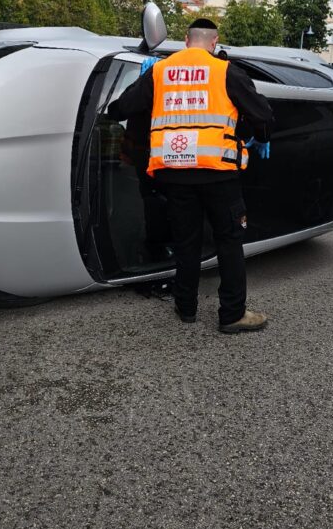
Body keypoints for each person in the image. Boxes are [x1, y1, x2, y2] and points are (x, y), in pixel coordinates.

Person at [108, 18, 274, 333]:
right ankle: (232, 315)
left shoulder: (160, 71)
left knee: (186, 243)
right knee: (228, 242)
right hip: (218, 174)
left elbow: (121, 109)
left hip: (174, 174)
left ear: (186, 40)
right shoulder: (226, 72)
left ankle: (186, 309)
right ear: (214, 42)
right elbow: (263, 113)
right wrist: (262, 136)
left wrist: (140, 83)